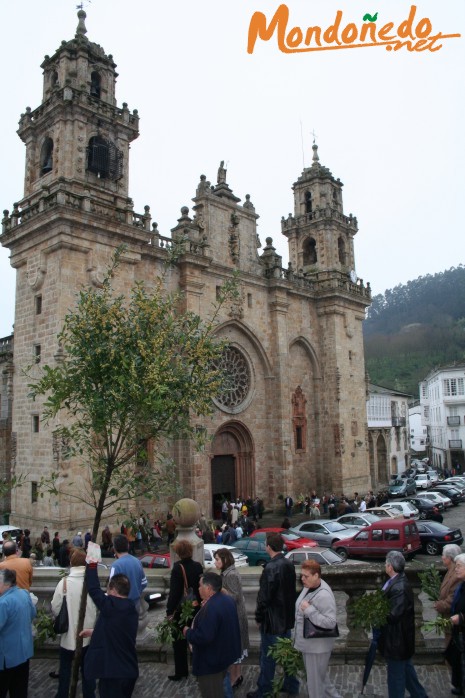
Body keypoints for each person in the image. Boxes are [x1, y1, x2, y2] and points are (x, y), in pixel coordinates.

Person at [247, 532, 299, 698]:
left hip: (272, 620)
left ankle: (264, 690)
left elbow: (264, 598)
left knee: (268, 657)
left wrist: (259, 618)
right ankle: (292, 685)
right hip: (286, 618)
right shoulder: (289, 564)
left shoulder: (270, 568)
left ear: (268, 547)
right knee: (286, 654)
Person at [82, 561, 138, 698]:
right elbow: (117, 631)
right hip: (129, 669)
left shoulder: (112, 606)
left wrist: (92, 564)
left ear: (113, 589)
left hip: (113, 672)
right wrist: (94, 632)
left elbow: (94, 589)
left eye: (107, 589)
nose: (106, 593)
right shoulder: (131, 608)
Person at [378, 551, 428, 698]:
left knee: (396, 679)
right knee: (407, 672)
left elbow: (393, 615)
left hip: (397, 641)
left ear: (390, 567)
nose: (385, 566)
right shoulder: (397, 581)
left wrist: (376, 614)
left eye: (386, 564)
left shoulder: (399, 587)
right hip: (401, 640)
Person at [183, 572, 241, 698]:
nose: (198, 589)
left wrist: (188, 632)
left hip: (211, 663)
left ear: (208, 588)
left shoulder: (212, 608)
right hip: (223, 657)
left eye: (200, 586)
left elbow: (204, 637)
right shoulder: (226, 600)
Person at [51, 548, 97, 698]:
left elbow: (55, 607)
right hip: (87, 636)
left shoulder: (64, 583)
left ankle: (63, 695)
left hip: (68, 636)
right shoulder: (91, 583)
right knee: (88, 673)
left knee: (65, 671)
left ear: (71, 563)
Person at [293, 560, 341, 698]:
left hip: (316, 647)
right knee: (321, 678)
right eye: (302, 575)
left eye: (306, 576)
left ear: (316, 576)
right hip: (311, 645)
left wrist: (309, 610)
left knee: (315, 684)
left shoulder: (324, 595)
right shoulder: (309, 586)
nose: (302, 579)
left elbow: (330, 622)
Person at [166, 539, 203, 681]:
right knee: (195, 639)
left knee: (179, 642)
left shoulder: (177, 568)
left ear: (178, 553)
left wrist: (169, 611)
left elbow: (174, 592)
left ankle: (181, 671)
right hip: (196, 607)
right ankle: (198, 668)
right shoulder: (198, 566)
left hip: (182, 610)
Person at [214, 548, 250, 688]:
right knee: (237, 648)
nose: (215, 562)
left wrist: (221, 590)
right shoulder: (227, 573)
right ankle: (237, 676)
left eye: (217, 559)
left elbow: (235, 597)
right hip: (233, 615)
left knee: (235, 648)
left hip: (235, 616)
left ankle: (235, 678)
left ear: (224, 560)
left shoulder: (230, 575)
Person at [0, 568, 37, 696]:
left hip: (6, 656)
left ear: (6, 583)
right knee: (20, 691)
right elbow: (33, 614)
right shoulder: (24, 594)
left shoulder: (3, 602)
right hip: (24, 652)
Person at [434, 544, 461, 693]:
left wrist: (440, 605)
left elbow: (452, 599)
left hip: (453, 621)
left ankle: (458, 682)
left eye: (443, 556)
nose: (442, 558)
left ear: (449, 558)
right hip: (450, 621)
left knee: (453, 654)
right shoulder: (451, 571)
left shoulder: (456, 575)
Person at [110, 534, 147, 611]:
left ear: (115, 548)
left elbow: (112, 589)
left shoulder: (116, 565)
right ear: (128, 546)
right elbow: (144, 583)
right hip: (135, 603)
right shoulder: (137, 561)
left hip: (121, 606)